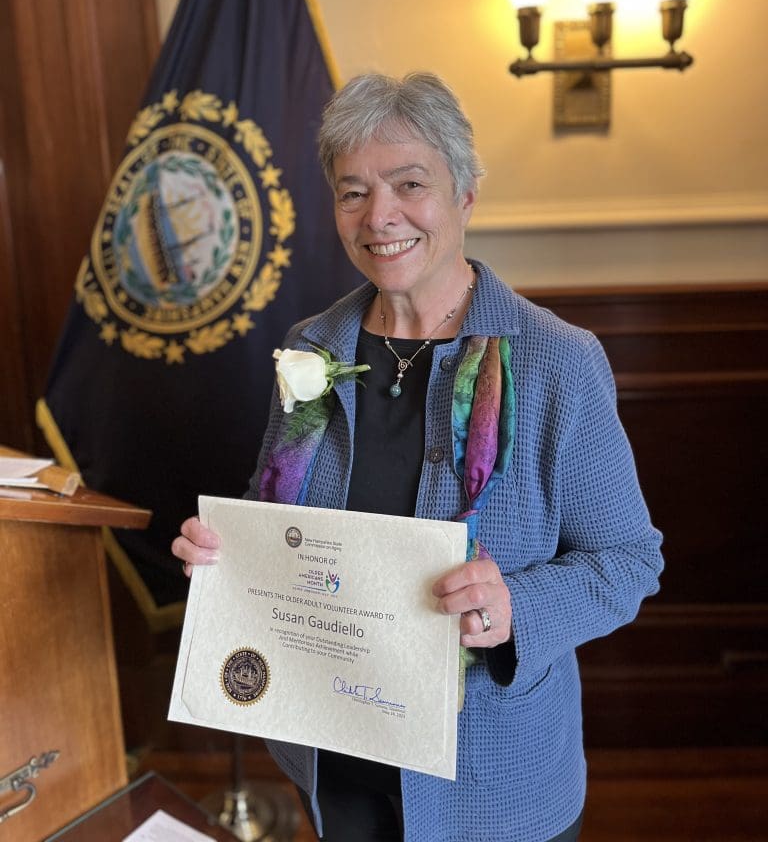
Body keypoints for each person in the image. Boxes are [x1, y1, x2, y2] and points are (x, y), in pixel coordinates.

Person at [173, 72, 663, 842]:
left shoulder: (557, 362)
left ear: (465, 195)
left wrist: (515, 610)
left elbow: (631, 560)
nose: (381, 217)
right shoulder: (310, 348)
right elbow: (278, 524)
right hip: (329, 759)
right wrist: (223, 556)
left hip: (492, 787)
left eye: (410, 184)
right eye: (353, 191)